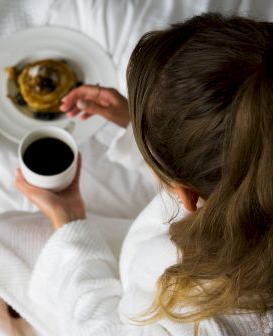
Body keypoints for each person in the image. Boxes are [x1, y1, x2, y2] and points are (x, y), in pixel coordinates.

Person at [15, 13, 273, 335]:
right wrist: (153, 130)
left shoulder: (184, 305)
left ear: (187, 194)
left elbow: (102, 327)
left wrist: (69, 224)